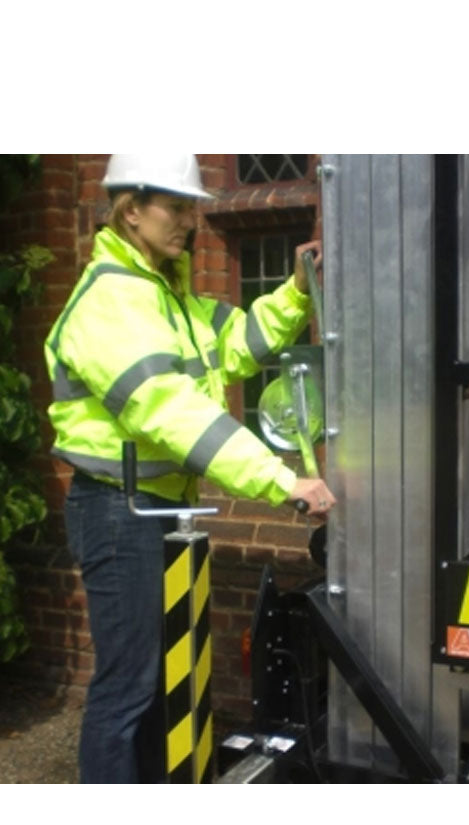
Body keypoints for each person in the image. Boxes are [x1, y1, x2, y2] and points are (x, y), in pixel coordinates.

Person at [43, 154, 336, 783]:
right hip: (118, 511)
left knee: (155, 683)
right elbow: (171, 411)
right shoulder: (113, 301)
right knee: (128, 686)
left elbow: (238, 345)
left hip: (152, 508)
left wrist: (295, 291)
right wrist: (281, 481)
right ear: (131, 211)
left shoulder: (165, 296)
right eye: (175, 206)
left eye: (192, 206)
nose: (190, 220)